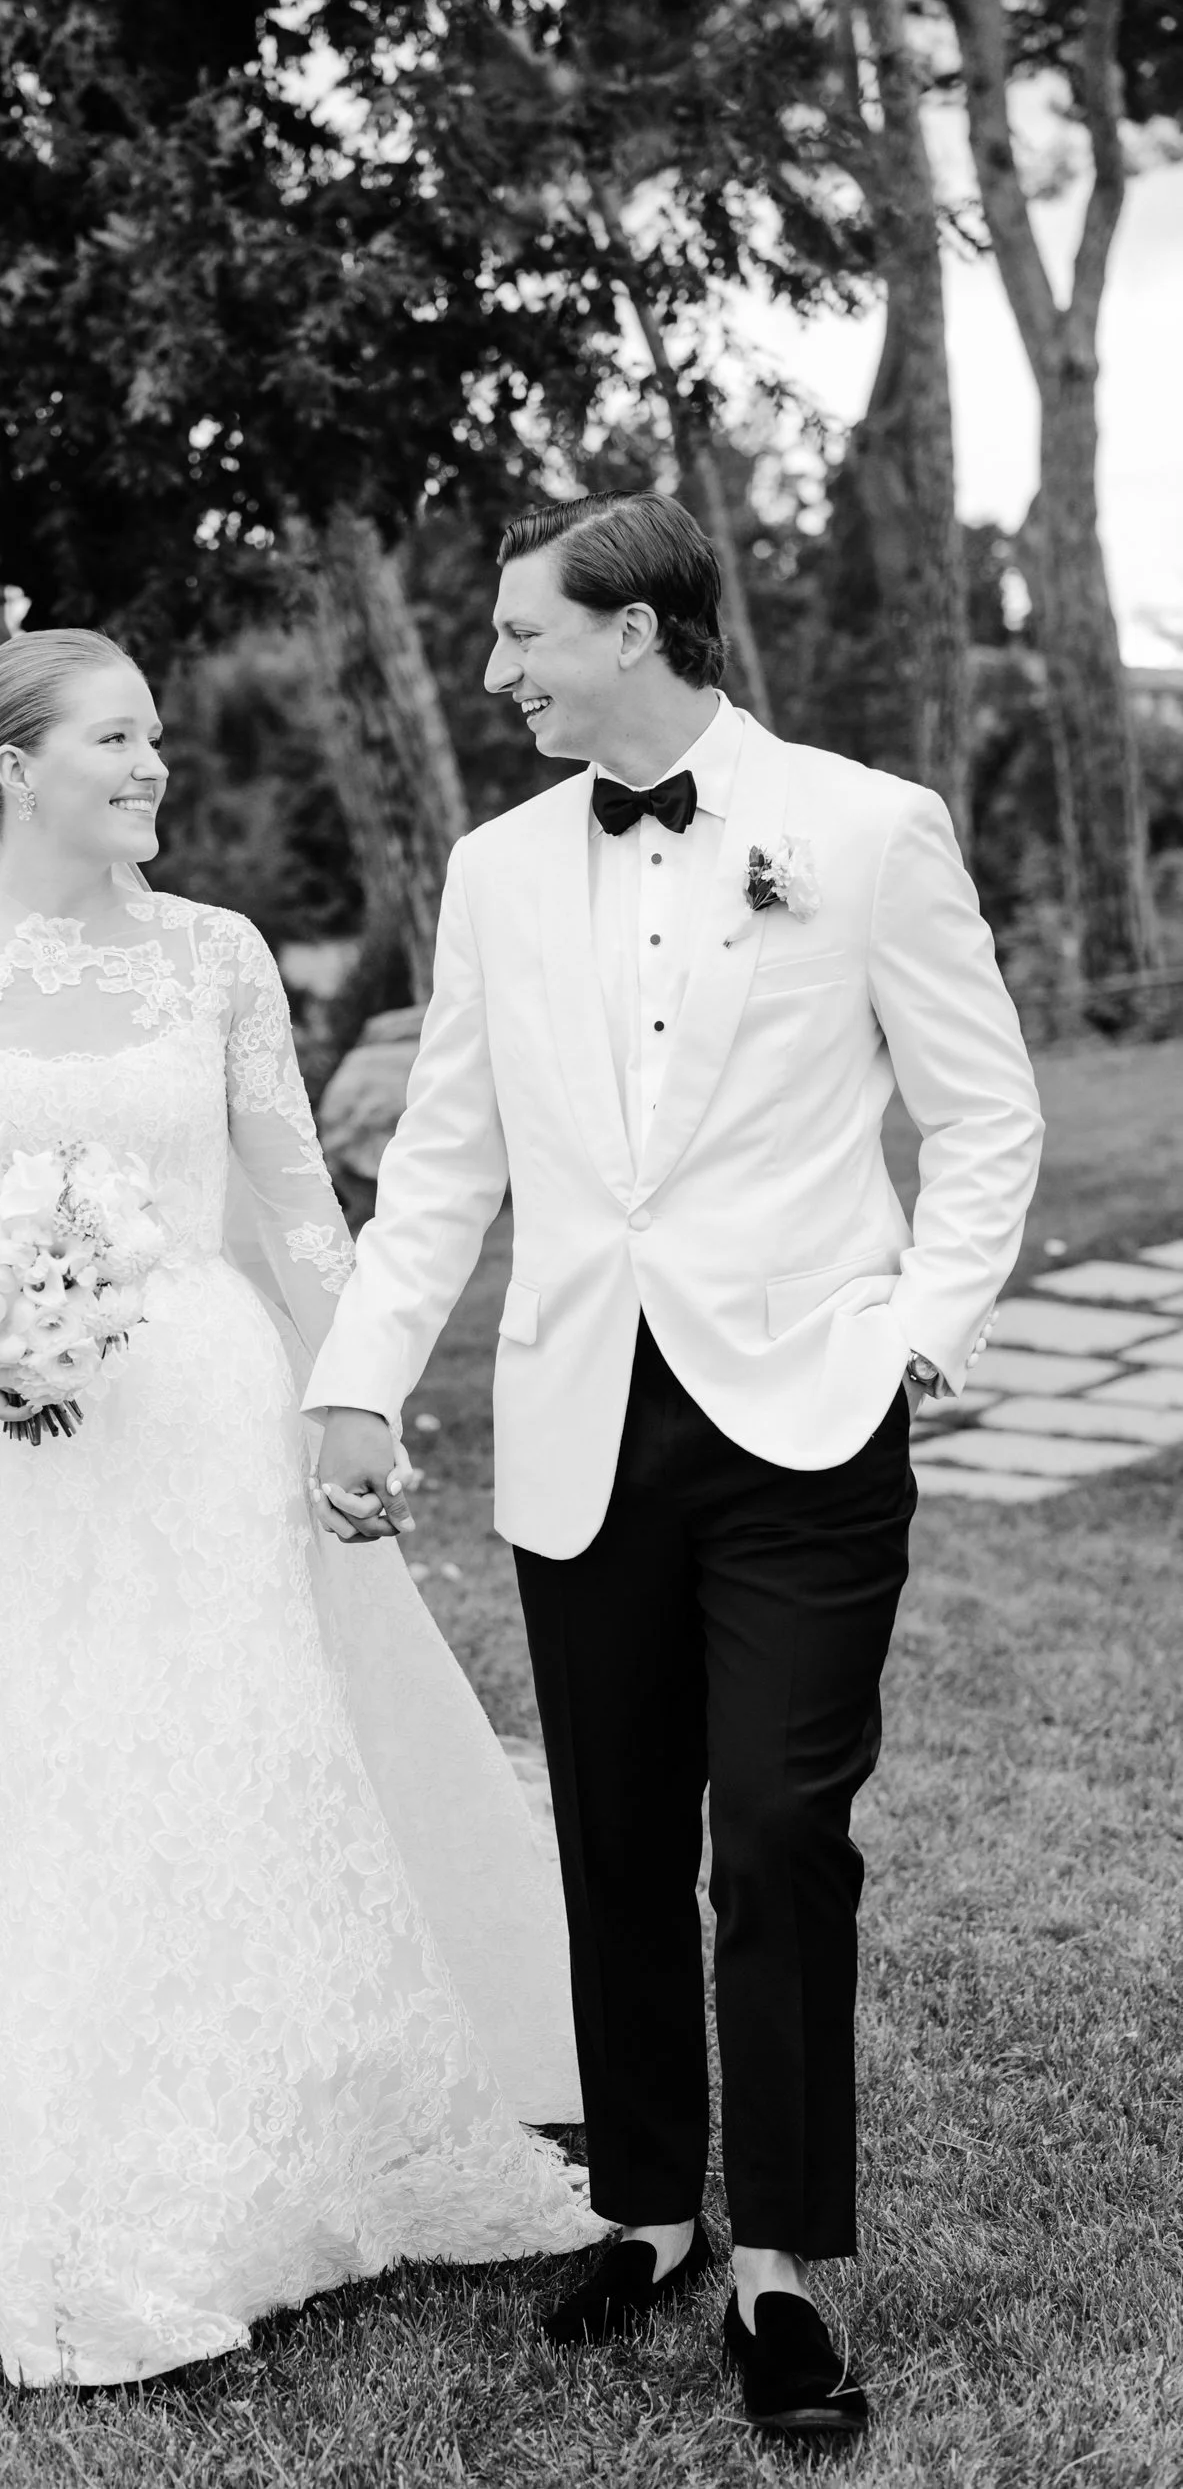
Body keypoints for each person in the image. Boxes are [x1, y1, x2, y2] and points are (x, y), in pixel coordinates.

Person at [0, 627, 607, 2389]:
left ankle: (290, 2105)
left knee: (223, 1745)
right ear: (13, 771)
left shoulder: (215, 954)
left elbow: (294, 1197)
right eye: (120, 739)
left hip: (202, 1414)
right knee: (19, 1763)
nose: (157, 766)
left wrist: (347, 1379)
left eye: (156, 740)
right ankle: (33, 2112)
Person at [308, 494, 1044, 2439]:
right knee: (615, 1828)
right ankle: (646, 2202)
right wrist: (357, 1377)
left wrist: (916, 1333)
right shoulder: (490, 868)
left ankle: (787, 2260)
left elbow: (987, 1115)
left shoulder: (865, 828)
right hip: (582, 1418)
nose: (494, 667)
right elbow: (449, 1155)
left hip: (808, 1412)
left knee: (782, 1829)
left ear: (638, 628)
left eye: (521, 630)